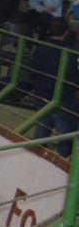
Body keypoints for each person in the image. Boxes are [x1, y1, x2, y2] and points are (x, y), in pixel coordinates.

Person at [30, 19, 79, 158]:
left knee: (41, 130)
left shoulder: (40, 50)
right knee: (65, 136)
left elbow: (32, 73)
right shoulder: (70, 54)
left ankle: (35, 156)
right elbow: (74, 79)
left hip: (42, 94)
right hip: (64, 99)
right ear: (66, 33)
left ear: (48, 31)